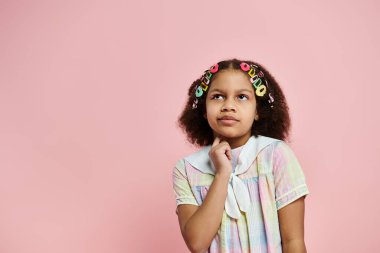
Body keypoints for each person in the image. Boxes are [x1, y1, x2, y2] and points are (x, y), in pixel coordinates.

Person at [172, 58, 310, 253]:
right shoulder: (187, 169)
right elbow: (197, 243)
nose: (228, 105)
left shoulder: (276, 155)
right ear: (204, 109)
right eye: (218, 96)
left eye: (242, 97)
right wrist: (222, 174)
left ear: (258, 111)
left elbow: (293, 242)